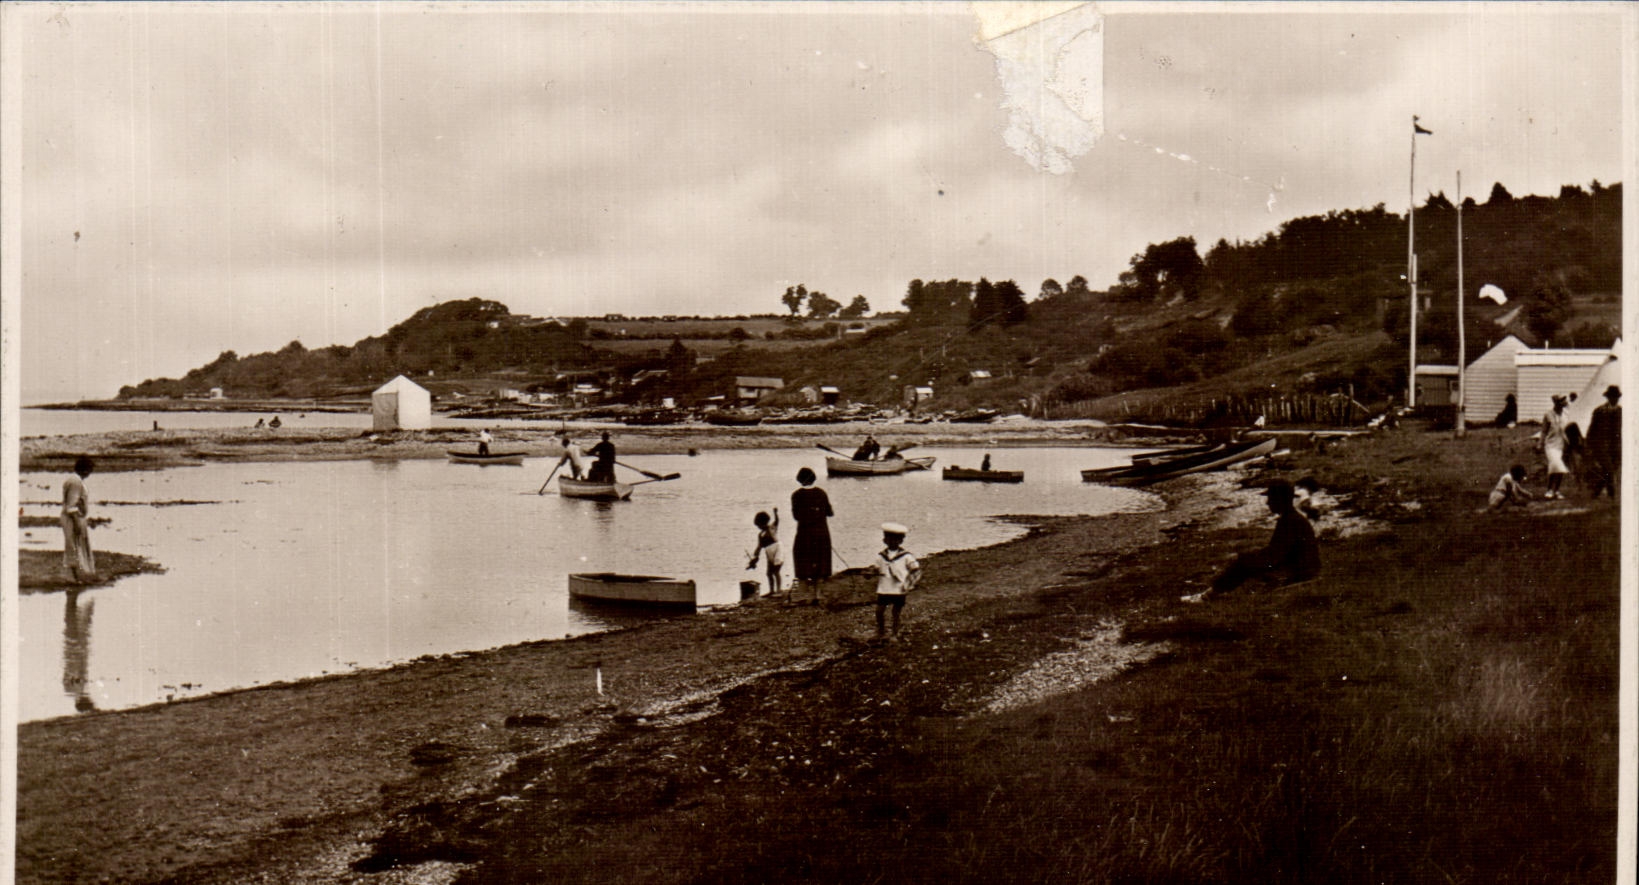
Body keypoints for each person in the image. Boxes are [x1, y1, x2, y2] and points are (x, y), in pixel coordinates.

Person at [1182, 479, 1319, 603]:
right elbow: (1277, 551)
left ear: (1280, 500)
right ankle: (1213, 591)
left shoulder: (1290, 521)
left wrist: (1244, 558)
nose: (1267, 503)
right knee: (1246, 561)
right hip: (1303, 567)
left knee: (1242, 564)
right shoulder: (1292, 518)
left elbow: (1274, 555)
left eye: (1270, 499)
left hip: (1300, 571)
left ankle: (1207, 596)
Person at [790, 467, 833, 605]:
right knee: (821, 560)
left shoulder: (796, 495)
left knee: (803, 560)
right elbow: (830, 512)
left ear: (800, 480)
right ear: (814, 478)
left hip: (804, 533)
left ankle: (804, 595)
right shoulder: (822, 493)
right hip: (821, 532)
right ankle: (818, 594)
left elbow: (796, 516)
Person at [872, 522, 921, 641]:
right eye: (888, 538)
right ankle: (881, 632)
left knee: (896, 613)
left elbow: (916, 570)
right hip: (884, 588)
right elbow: (875, 569)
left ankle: (895, 633)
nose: (891, 541)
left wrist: (909, 584)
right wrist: (869, 573)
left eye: (895, 539)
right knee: (879, 611)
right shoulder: (881, 556)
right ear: (884, 540)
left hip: (899, 589)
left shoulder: (906, 556)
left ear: (900, 541)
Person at [61, 456, 97, 584]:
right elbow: (71, 505)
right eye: (90, 470)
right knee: (73, 546)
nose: (90, 473)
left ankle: (76, 576)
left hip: (75, 517)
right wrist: (76, 523)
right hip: (73, 518)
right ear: (85, 470)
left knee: (76, 545)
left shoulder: (74, 480)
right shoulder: (76, 482)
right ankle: (72, 577)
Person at [1584, 385, 1621, 499]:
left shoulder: (1620, 411)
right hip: (1601, 446)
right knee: (1609, 470)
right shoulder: (1599, 411)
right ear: (1608, 397)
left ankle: (1596, 492)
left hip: (1616, 446)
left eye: (1616, 397)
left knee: (1610, 471)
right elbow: (1592, 428)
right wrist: (1589, 445)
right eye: (1612, 397)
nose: (1615, 399)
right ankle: (1611, 495)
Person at [746, 508, 784, 597]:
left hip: (777, 549)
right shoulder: (760, 535)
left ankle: (778, 590)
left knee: (776, 571)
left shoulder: (771, 528)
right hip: (769, 552)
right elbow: (759, 547)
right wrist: (755, 557)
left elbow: (777, 521)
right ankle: (772, 590)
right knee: (769, 573)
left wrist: (775, 513)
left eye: (759, 525)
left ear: (764, 523)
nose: (758, 527)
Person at [1540, 394, 1571, 499]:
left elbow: (1569, 428)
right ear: (1556, 403)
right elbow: (1544, 431)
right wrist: (1540, 443)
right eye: (1561, 402)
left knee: (1559, 468)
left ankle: (1556, 490)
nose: (1564, 404)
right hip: (1551, 445)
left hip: (1562, 445)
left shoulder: (1566, 414)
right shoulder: (1548, 415)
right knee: (1555, 465)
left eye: (1564, 401)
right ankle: (1549, 490)